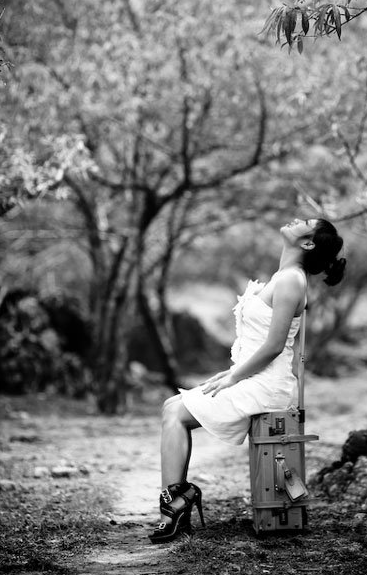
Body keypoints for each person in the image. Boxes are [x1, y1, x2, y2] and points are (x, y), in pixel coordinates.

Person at [148, 217, 346, 543]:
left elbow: (274, 346)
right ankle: (178, 500)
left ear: (308, 243)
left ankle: (172, 510)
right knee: (172, 406)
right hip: (253, 377)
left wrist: (234, 378)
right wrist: (230, 374)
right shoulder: (283, 276)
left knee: (175, 414)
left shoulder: (291, 281)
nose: (297, 219)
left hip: (266, 385)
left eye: (306, 222)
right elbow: (259, 343)